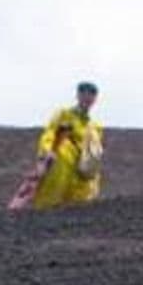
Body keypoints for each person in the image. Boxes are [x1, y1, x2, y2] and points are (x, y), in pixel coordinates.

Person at [32, 82, 104, 210]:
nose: (87, 97)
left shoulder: (95, 127)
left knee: (76, 209)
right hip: (62, 166)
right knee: (49, 202)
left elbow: (94, 154)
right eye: (83, 93)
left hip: (82, 174)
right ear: (78, 95)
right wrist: (46, 152)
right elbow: (50, 133)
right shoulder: (64, 114)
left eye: (91, 94)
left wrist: (94, 182)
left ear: (94, 99)